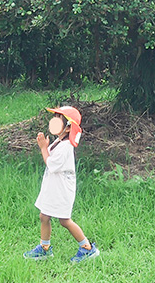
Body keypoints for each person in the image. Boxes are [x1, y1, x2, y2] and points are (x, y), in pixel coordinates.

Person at [24, 106, 99, 263]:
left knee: (64, 220)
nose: (54, 122)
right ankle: (45, 249)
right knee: (44, 216)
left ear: (69, 127)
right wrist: (46, 146)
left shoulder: (66, 146)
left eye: (59, 120)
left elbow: (51, 163)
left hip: (62, 190)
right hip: (53, 188)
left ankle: (87, 248)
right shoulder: (59, 141)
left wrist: (43, 148)